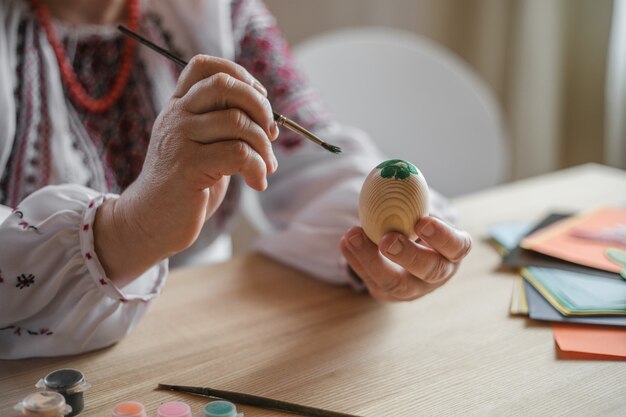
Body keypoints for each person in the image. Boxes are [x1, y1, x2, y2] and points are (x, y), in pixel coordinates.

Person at [0, 0, 472, 359]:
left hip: (205, 332)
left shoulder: (220, 11)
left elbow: (315, 157)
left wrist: (381, 250)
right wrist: (129, 230)